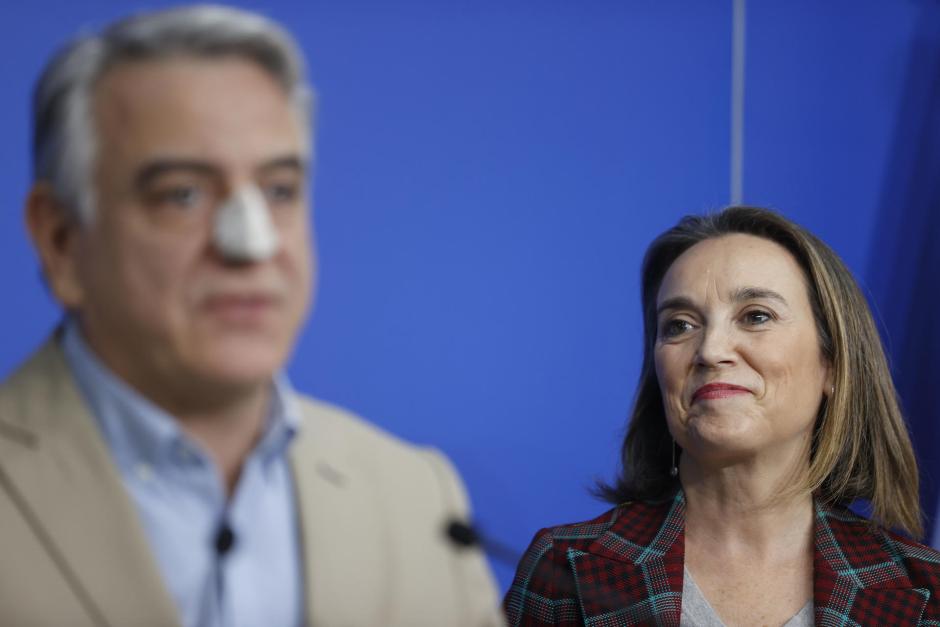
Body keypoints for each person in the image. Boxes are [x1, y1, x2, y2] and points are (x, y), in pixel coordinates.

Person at [0, 5, 502, 626]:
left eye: (279, 190)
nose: (252, 242)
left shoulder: (418, 496)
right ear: (61, 241)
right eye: (183, 194)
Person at [504, 206, 940, 626]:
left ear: (832, 365)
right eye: (679, 325)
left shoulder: (928, 590)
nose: (710, 351)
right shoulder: (562, 571)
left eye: (755, 316)